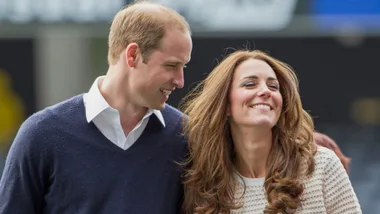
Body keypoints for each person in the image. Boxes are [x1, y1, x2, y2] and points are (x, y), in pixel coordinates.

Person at [0, 1, 192, 214]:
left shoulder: (187, 137)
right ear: (132, 55)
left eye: (183, 66)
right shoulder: (41, 134)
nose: (180, 81)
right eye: (171, 66)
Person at [180, 50, 361, 213]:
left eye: (273, 86)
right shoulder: (204, 184)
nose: (266, 91)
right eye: (250, 84)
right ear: (224, 105)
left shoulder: (322, 165)